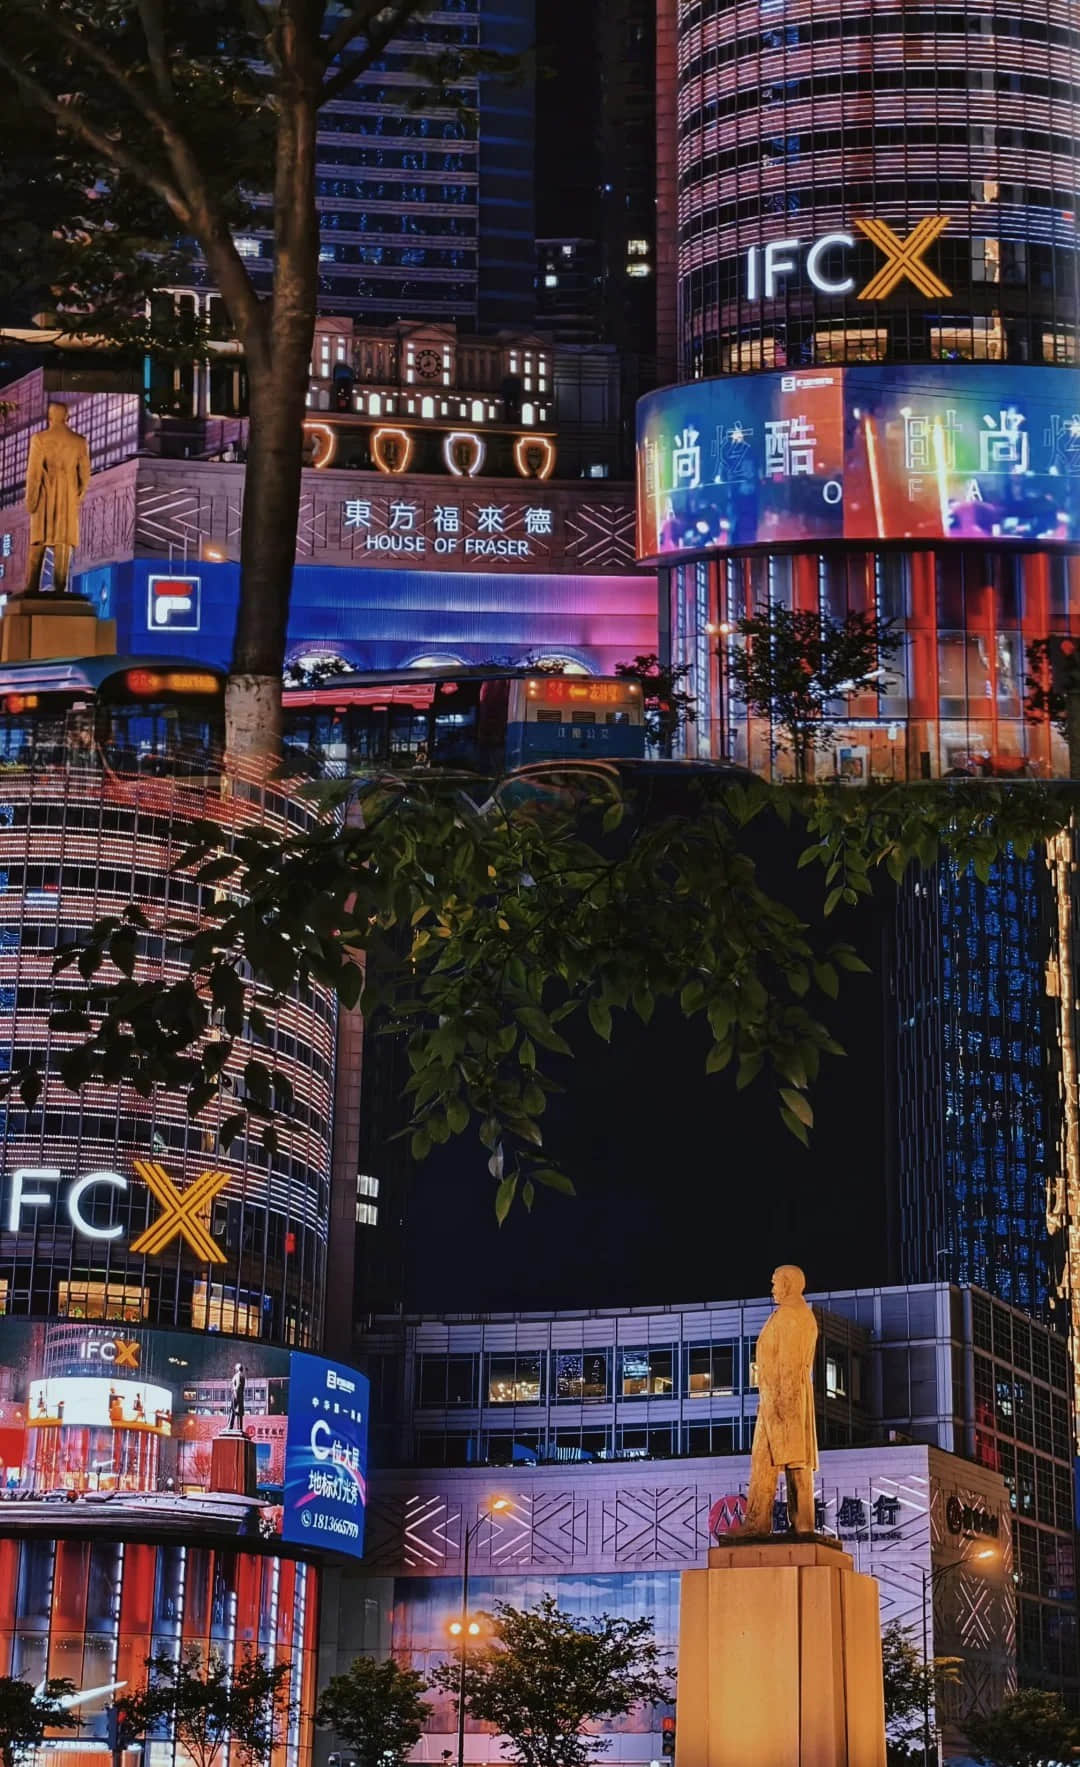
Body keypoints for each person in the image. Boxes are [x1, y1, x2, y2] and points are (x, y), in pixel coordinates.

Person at [740, 1265, 819, 1536]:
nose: (772, 1288)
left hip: (782, 1400)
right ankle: (803, 1524)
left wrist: (780, 1408)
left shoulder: (790, 1317)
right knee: (797, 1463)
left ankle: (756, 1523)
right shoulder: (799, 1315)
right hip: (785, 1399)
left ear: (788, 1284)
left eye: (775, 1283)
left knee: (766, 1459)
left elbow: (787, 1363)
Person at [23, 402, 91, 593]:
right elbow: (85, 475)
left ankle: (32, 587)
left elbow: (34, 474)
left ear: (50, 418)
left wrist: (31, 501)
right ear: (66, 417)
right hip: (67, 498)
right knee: (64, 541)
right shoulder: (79, 441)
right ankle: (61, 587)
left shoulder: (40, 439)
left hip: (45, 495)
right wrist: (77, 495)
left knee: (38, 540)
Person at [226, 1362, 246, 1431]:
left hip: (236, 1395)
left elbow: (238, 1385)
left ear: (237, 1368)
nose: (235, 1368)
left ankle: (230, 1426)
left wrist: (235, 1392)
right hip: (240, 1396)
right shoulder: (243, 1376)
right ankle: (239, 1427)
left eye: (235, 1367)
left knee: (232, 1410)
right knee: (239, 1412)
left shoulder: (237, 1375)